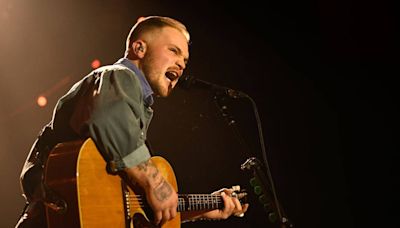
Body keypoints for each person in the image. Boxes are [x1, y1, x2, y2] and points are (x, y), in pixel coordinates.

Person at [16, 16, 248, 227]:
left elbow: (125, 208)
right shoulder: (119, 76)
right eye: (174, 51)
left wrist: (203, 208)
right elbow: (107, 118)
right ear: (139, 48)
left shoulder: (136, 108)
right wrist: (156, 184)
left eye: (185, 59)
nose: (182, 64)